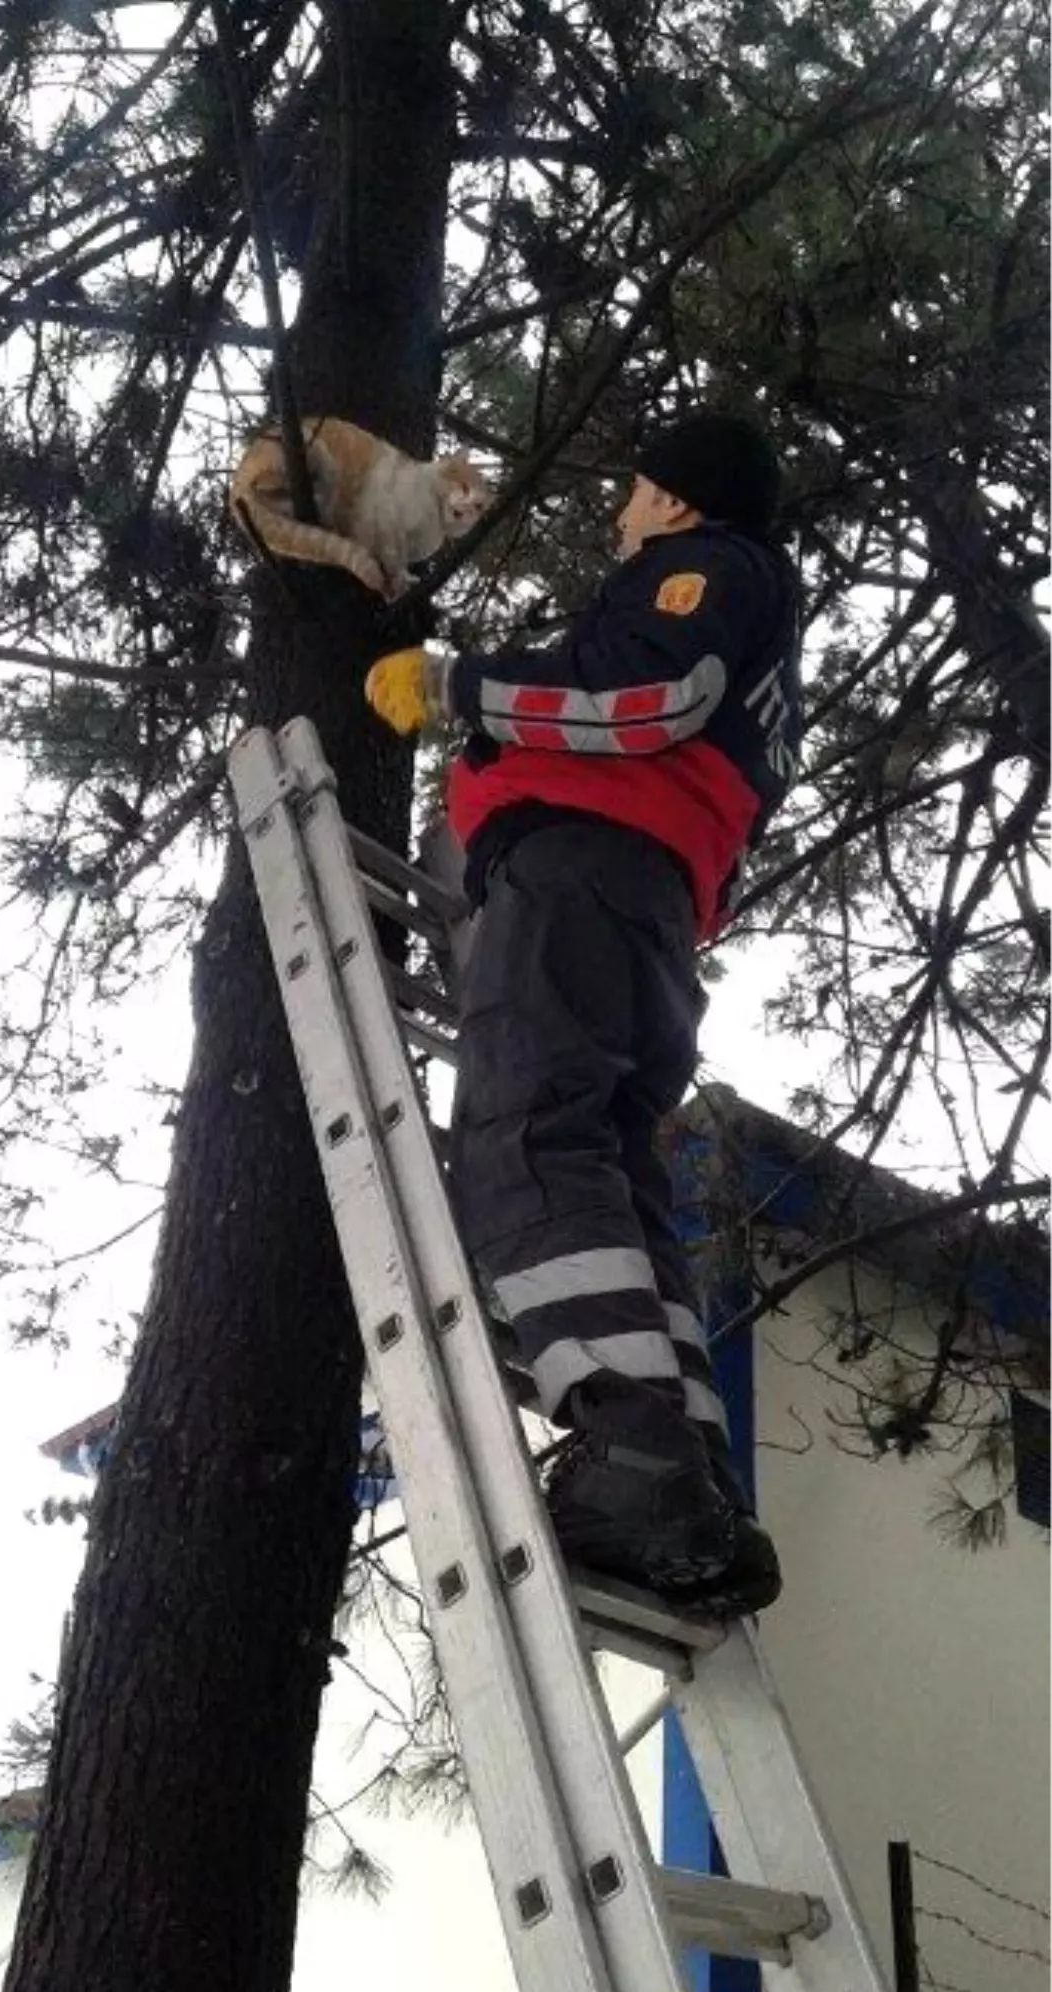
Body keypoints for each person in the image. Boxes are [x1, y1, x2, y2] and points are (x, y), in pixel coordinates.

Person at [364, 410, 802, 1616]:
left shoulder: (705, 570)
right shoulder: (753, 611)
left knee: (525, 1139)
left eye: (635, 491)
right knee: (612, 1177)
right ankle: (691, 1477)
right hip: (645, 903)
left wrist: (466, 688)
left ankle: (634, 1452)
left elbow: (650, 696)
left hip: (585, 876)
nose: (620, 513)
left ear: (677, 500)